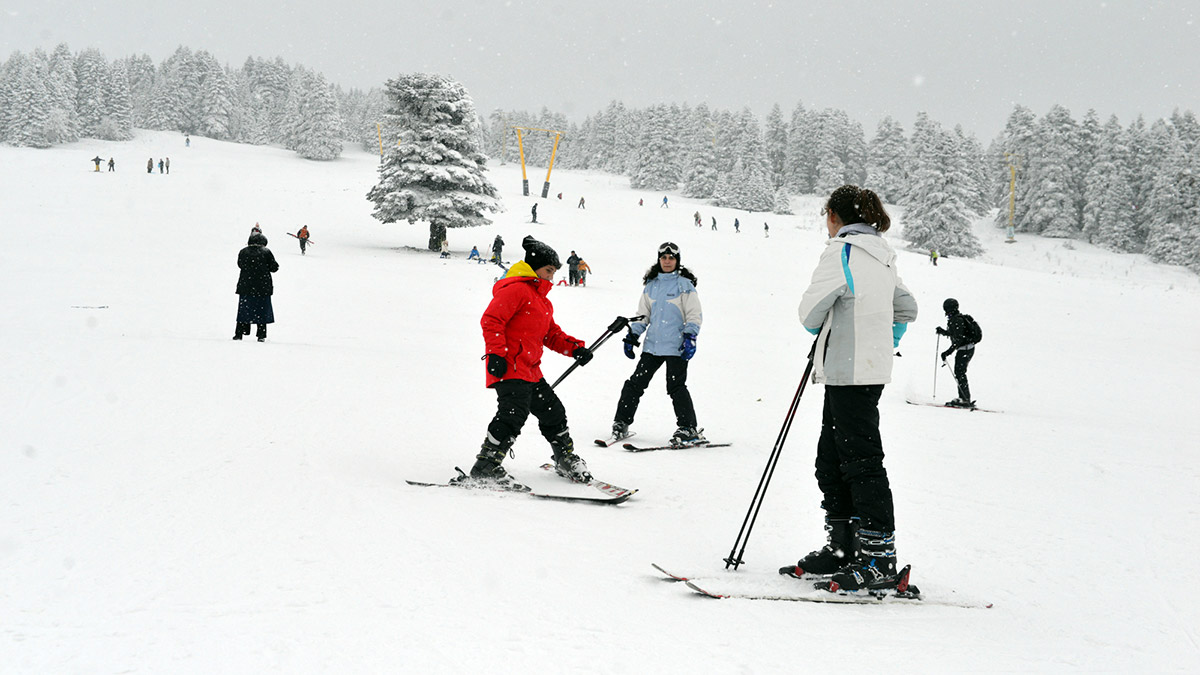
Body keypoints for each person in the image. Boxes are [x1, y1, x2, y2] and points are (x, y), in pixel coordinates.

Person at [783, 184, 918, 592]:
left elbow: (809, 314)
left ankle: (878, 558)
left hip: (847, 370)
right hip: (866, 371)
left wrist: (845, 330)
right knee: (835, 457)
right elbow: (906, 307)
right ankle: (845, 547)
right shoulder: (882, 254)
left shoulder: (842, 250)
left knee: (858, 461)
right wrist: (883, 340)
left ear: (834, 217)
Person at [451, 235, 595, 490]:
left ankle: (564, 458)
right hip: (508, 366)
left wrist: (575, 349)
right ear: (534, 267)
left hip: (530, 370)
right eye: (548, 270)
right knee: (513, 414)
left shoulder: (541, 300)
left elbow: (550, 334)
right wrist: (496, 354)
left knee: (553, 412)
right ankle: (486, 465)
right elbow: (491, 320)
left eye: (554, 272)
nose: (551, 277)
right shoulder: (516, 290)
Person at [611, 242, 704, 447]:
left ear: (677, 261)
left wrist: (690, 337)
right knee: (635, 384)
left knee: (676, 386)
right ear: (659, 260)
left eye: (671, 258)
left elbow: (694, 314)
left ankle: (688, 428)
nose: (667, 261)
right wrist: (633, 335)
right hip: (652, 346)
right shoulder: (651, 286)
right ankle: (621, 422)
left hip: (676, 346)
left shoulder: (684, 285)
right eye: (664, 258)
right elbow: (643, 315)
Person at [233, 233, 279, 342]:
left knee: (244, 311)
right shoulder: (266, 252)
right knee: (262, 311)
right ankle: (261, 335)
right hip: (262, 287)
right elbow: (274, 267)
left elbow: (240, 264)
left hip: (245, 286)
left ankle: (239, 333)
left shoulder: (243, 251)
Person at [937, 298, 976, 408]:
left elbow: (959, 338)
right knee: (960, 372)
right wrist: (943, 332)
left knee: (960, 372)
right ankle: (964, 398)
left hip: (965, 349)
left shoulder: (957, 320)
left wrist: (948, 352)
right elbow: (955, 333)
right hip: (967, 348)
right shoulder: (956, 318)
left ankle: (965, 399)